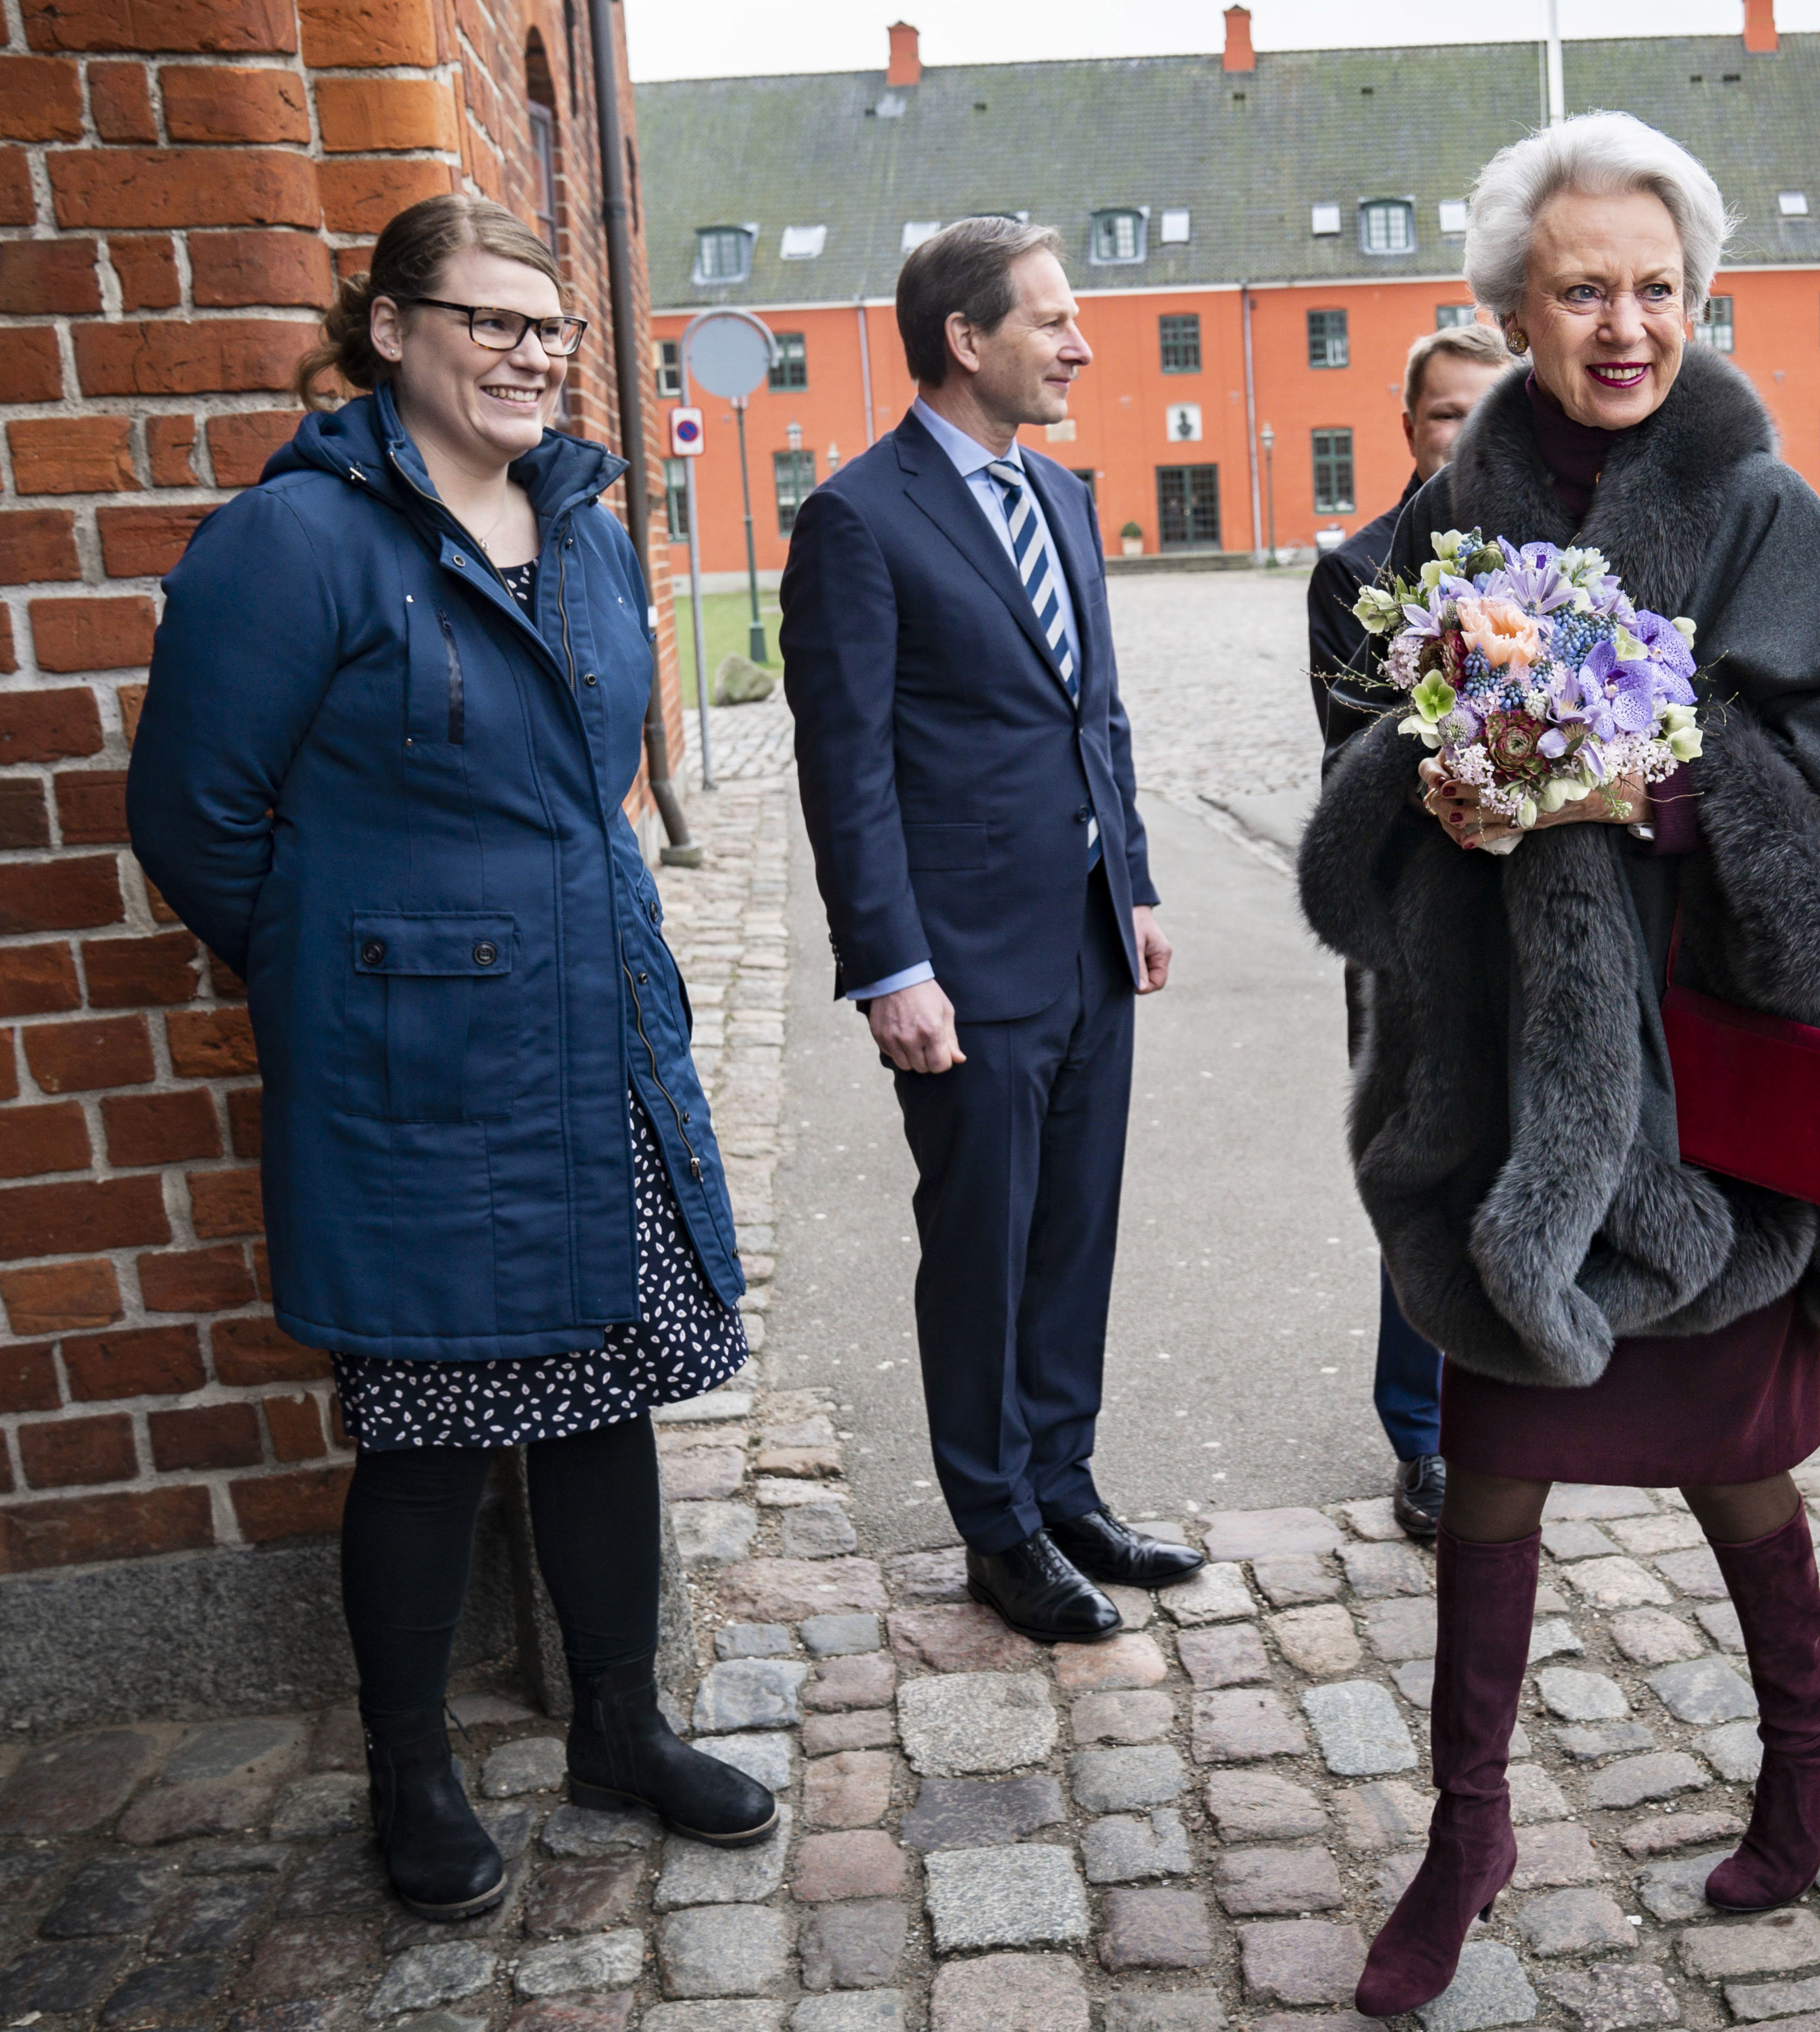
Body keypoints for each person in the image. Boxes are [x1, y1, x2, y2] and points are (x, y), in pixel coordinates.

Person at [1297, 115, 1820, 2015]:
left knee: (1737, 1461)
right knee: (1493, 1457)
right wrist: (1432, 788)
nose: (1625, 323)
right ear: (1513, 305)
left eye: (1655, 287)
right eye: (1583, 288)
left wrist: (1665, 789)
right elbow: (1356, 758)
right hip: (1514, 1094)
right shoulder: (1430, 529)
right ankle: (1467, 1822)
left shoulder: (1765, 512)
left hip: (1713, 1068)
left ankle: (1810, 1742)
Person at [128, 195, 775, 1921]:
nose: (529, 355)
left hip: (597, 1032)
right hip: (424, 1070)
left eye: (549, 330)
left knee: (607, 1393)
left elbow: (589, 779)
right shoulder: (299, 542)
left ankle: (620, 1727)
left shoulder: (583, 531)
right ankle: (404, 1769)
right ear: (390, 332)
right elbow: (196, 818)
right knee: (425, 1423)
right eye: (487, 322)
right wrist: (363, 971)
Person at [782, 218, 1203, 1644]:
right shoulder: (857, 518)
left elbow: (1101, 717)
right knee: (983, 1243)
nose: (1082, 346)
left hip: (1084, 939)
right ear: (967, 340)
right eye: (1054, 321)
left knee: (1073, 1231)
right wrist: (891, 966)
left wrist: (1132, 888)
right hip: (961, 964)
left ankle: (1064, 1482)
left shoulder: (1066, 499)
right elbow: (843, 767)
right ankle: (996, 1525)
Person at [1305, 321, 1514, 1539]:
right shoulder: (1358, 569)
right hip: (1413, 929)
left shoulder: (1555, 555)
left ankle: (1523, 1399)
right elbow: (1356, 764)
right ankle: (1423, 1435)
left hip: (1542, 929)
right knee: (1423, 1168)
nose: (1468, 435)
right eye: (1447, 414)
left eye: (1490, 409)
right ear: (1410, 426)